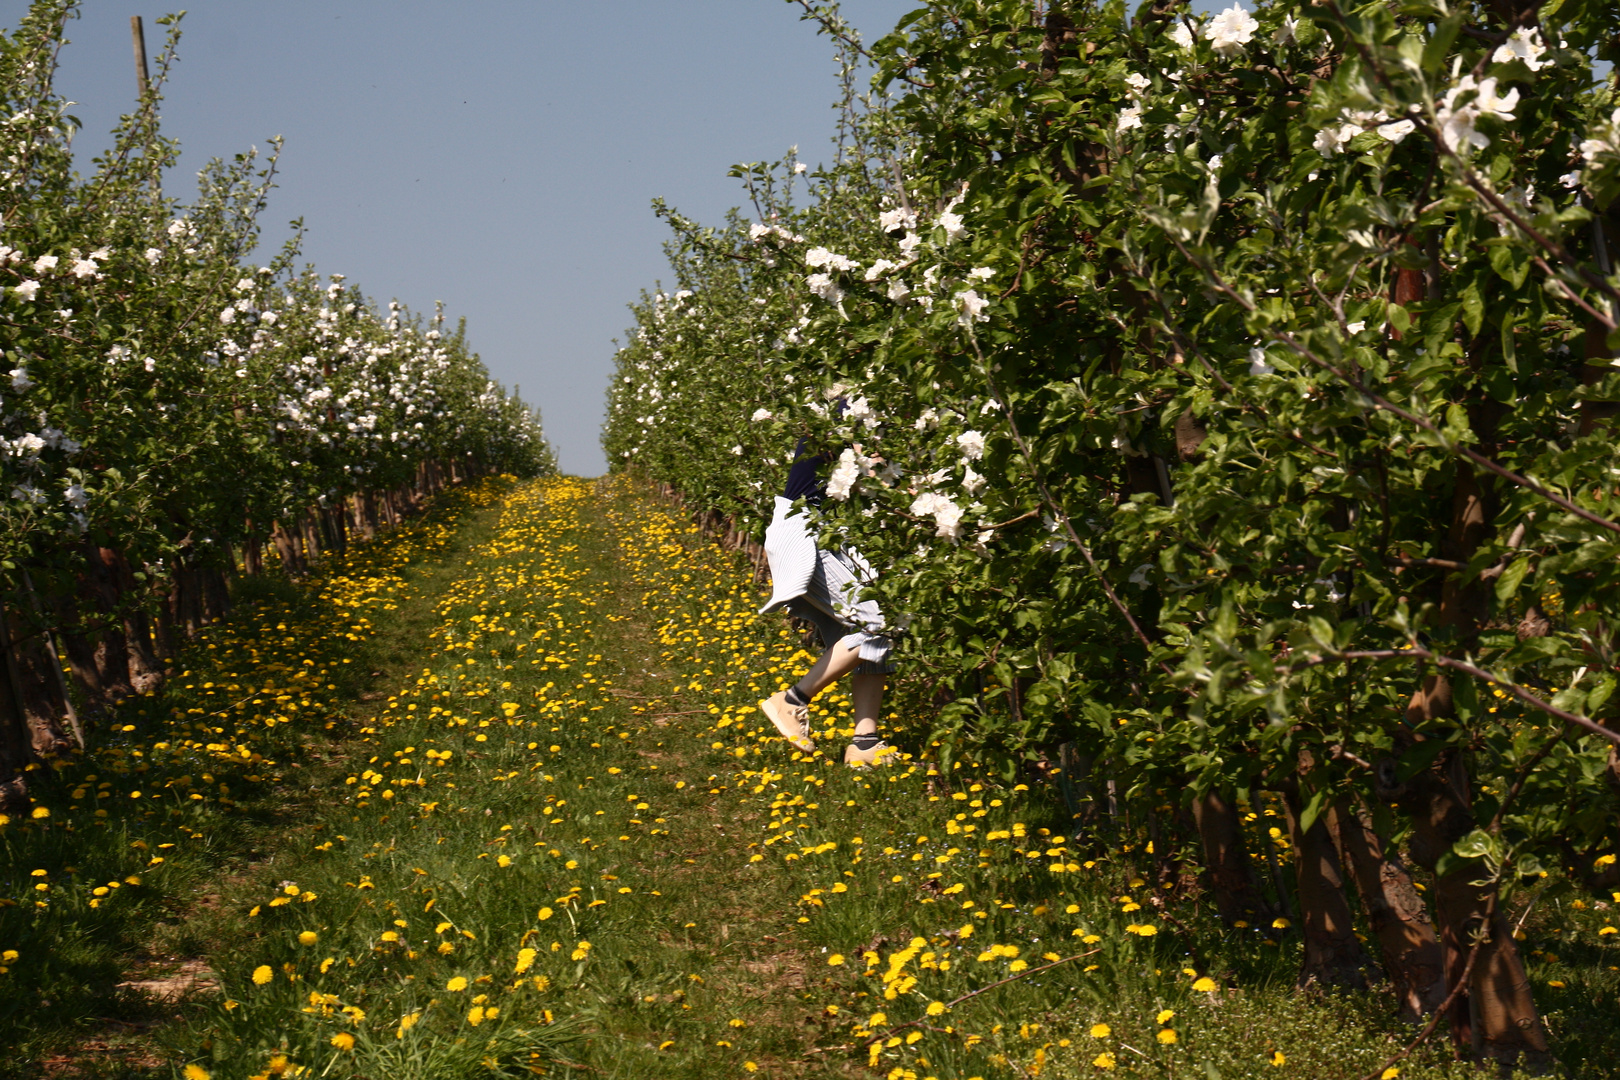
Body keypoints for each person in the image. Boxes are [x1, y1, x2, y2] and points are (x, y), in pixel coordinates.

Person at [758, 436, 896, 765]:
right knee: (874, 625)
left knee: (878, 631)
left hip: (831, 531)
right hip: (806, 529)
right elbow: (869, 463)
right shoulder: (847, 403)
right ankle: (792, 700)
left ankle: (864, 745)